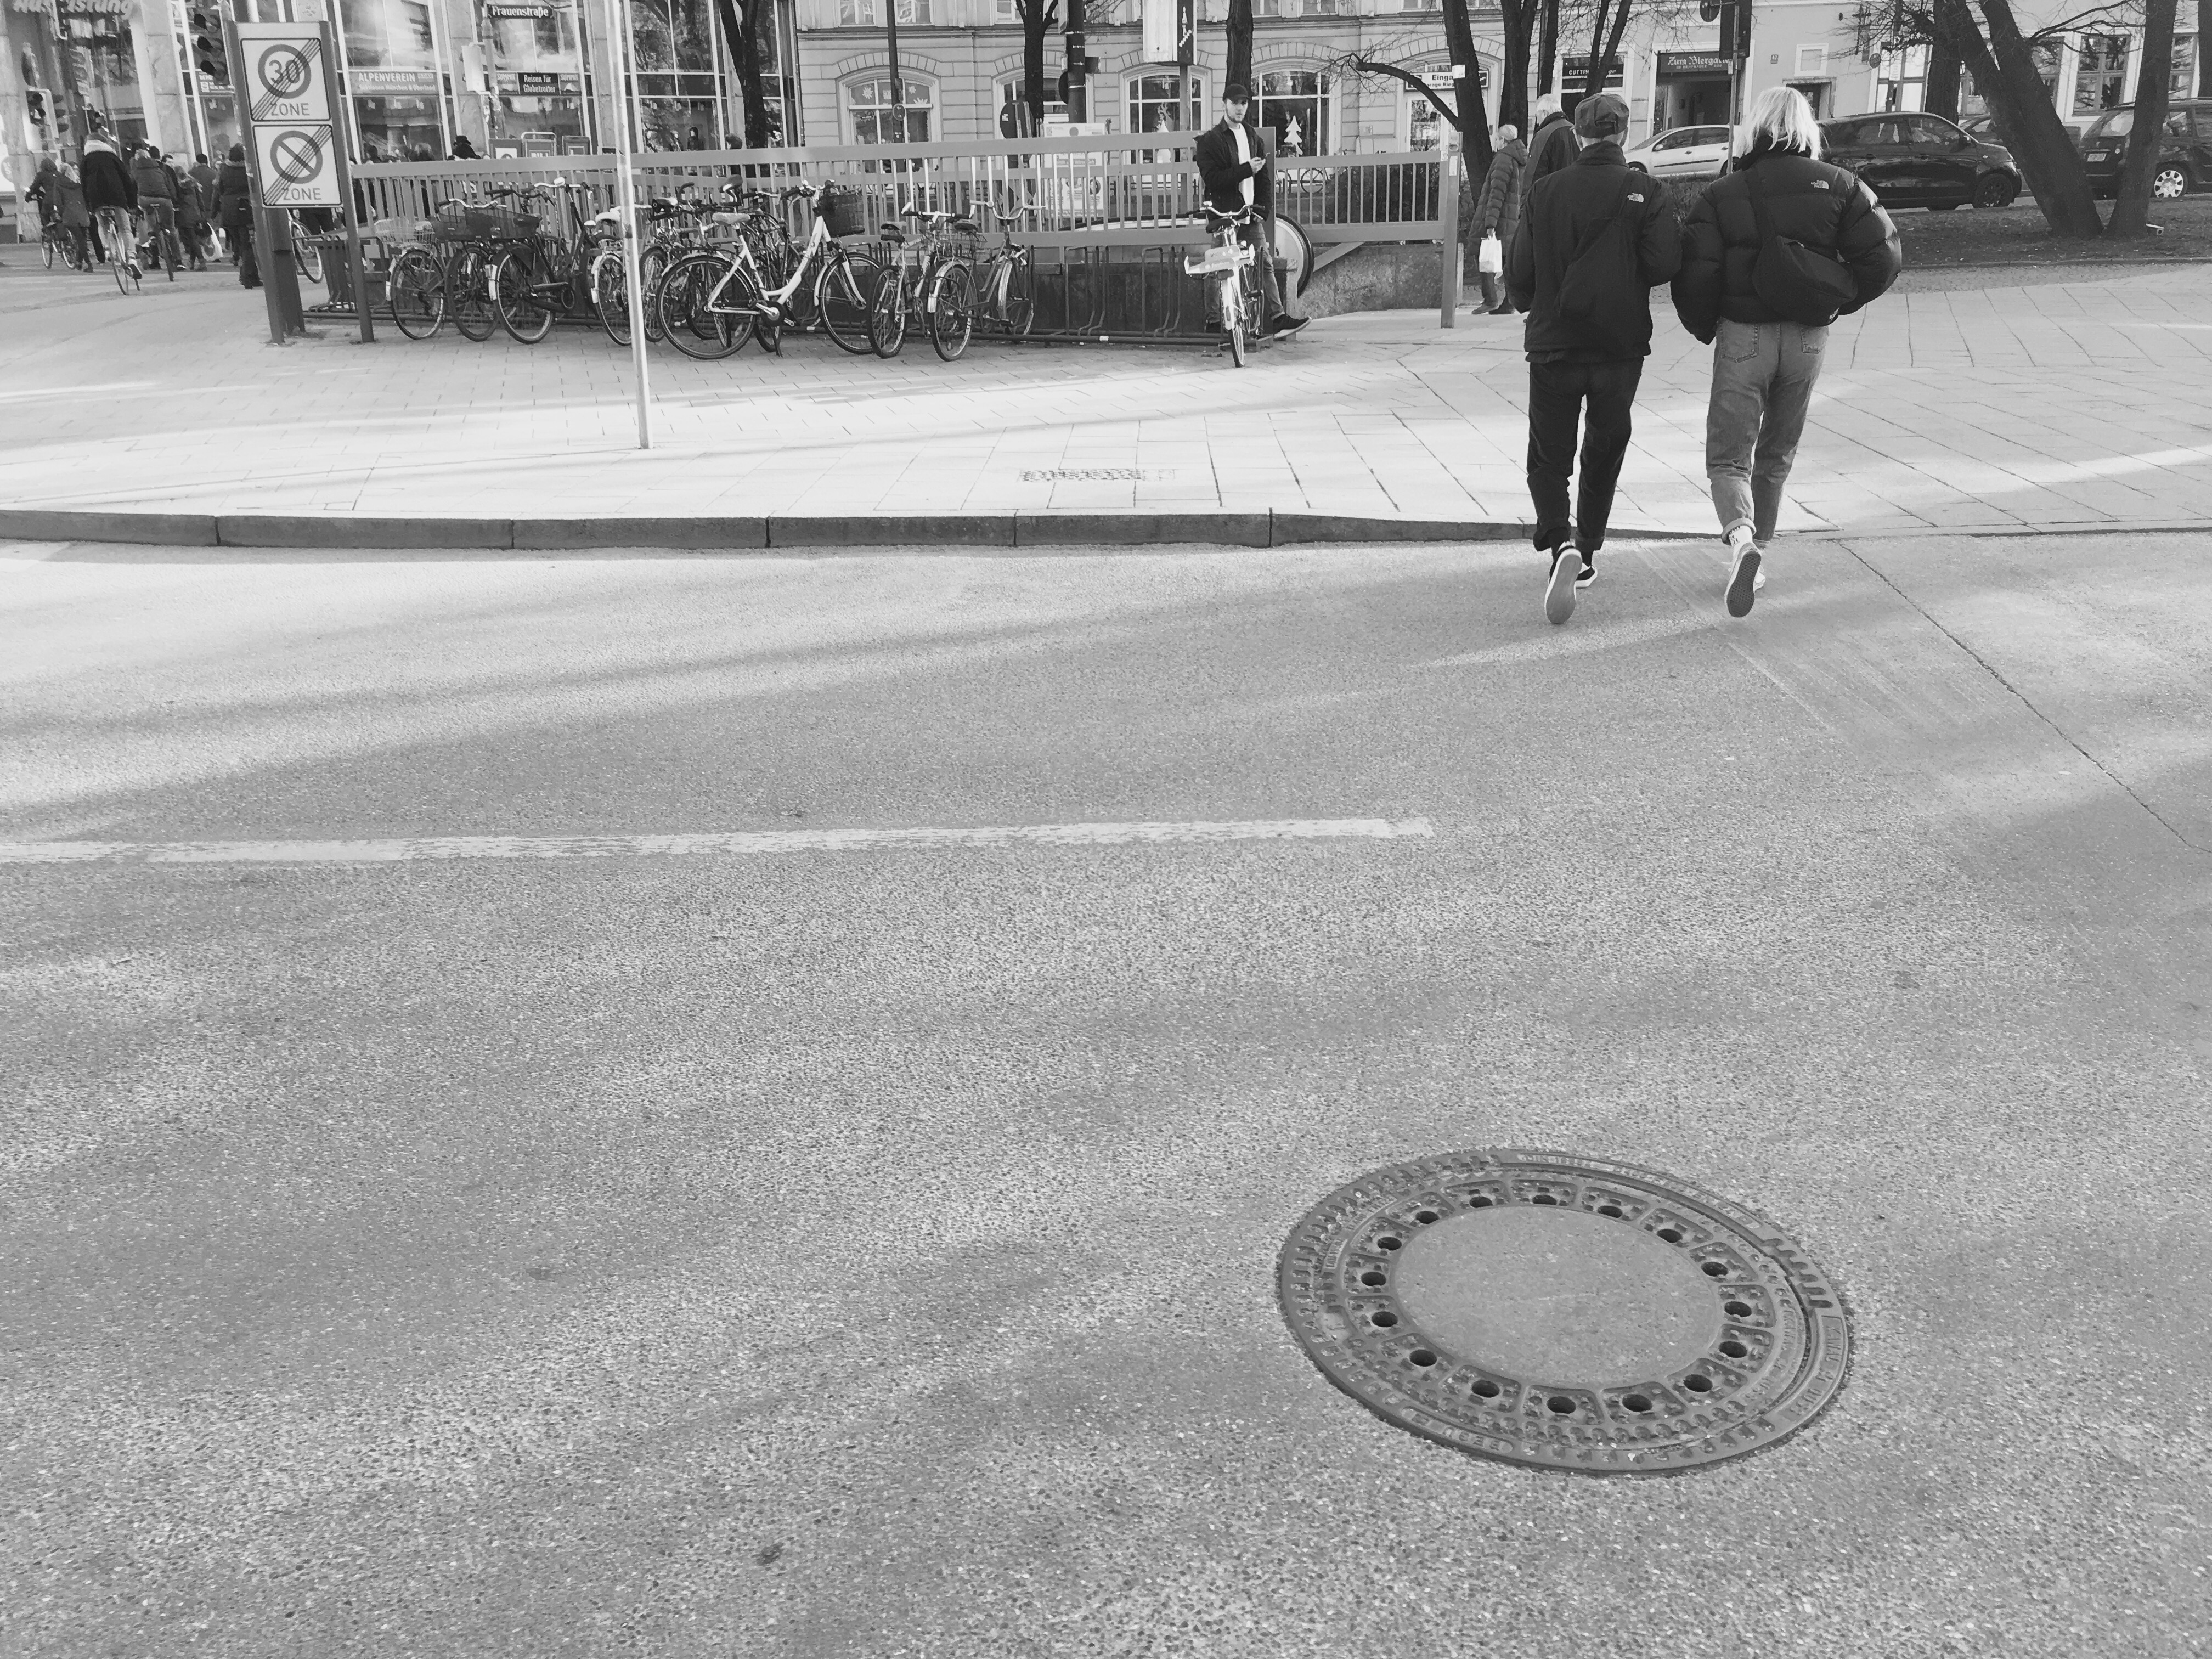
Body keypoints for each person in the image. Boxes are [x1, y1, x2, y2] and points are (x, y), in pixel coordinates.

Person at [1672, 86, 1901, 616]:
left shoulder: (1725, 192)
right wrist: (1839, 297)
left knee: (1729, 454)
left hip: (1744, 335)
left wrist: (1707, 326)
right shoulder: (1841, 186)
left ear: (1755, 126)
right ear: (1807, 127)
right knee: (1777, 451)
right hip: (1806, 336)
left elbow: (1695, 272)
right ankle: (1761, 553)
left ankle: (1741, 540)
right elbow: (1885, 257)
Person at [1505, 91, 1680, 626]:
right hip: (1619, 347)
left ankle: (1559, 541)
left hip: (1554, 344)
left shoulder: (1545, 191)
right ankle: (1587, 548)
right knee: (1604, 447)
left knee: (1548, 455)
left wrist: (1538, 300)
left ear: (1578, 135)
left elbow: (1520, 277)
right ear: (1623, 134)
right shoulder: (1646, 191)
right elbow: (1665, 263)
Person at [1193, 83, 1308, 342]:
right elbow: (1213, 179)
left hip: (1250, 214)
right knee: (1217, 266)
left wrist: (1263, 209)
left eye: (1244, 103)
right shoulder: (1211, 140)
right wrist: (1246, 169)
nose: (1239, 108)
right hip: (1224, 215)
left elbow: (1264, 179)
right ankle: (1213, 322)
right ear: (1224, 104)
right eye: (1235, 103)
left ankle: (1278, 318)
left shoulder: (1252, 137)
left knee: (1264, 264)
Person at [1473, 123, 1527, 315]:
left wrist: (1490, 223)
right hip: (1511, 216)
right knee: (1506, 260)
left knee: (1483, 254)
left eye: (1497, 138)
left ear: (1503, 140)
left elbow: (1497, 193)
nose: (1495, 142)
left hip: (1500, 217)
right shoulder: (1520, 157)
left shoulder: (1503, 158)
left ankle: (1491, 299)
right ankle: (1509, 302)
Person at [79, 125, 139, 276]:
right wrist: (132, 203)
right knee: (125, 229)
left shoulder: (86, 160)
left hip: (96, 198)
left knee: (102, 224)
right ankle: (132, 258)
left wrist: (89, 206)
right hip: (116, 196)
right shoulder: (113, 158)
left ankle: (108, 249)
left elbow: (84, 184)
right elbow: (126, 180)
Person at [131, 144, 185, 272]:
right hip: (164, 199)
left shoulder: (135, 171)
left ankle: (152, 234)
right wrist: (174, 201)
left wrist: (134, 206)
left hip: (145, 199)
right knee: (171, 229)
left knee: (148, 213)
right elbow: (170, 186)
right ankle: (179, 261)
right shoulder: (160, 169)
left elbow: (132, 188)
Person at [216, 143, 260, 287]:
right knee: (248, 245)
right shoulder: (248, 170)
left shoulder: (224, 170)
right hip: (244, 209)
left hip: (228, 211)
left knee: (241, 245)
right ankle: (247, 277)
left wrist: (214, 211)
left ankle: (252, 276)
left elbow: (219, 189)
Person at [1526, 93, 1579, 187]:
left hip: (1551, 190)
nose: (1537, 122)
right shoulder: (1575, 130)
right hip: (1574, 188)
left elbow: (1535, 172)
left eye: (1537, 116)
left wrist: (1527, 194)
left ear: (1544, 113)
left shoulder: (1544, 135)